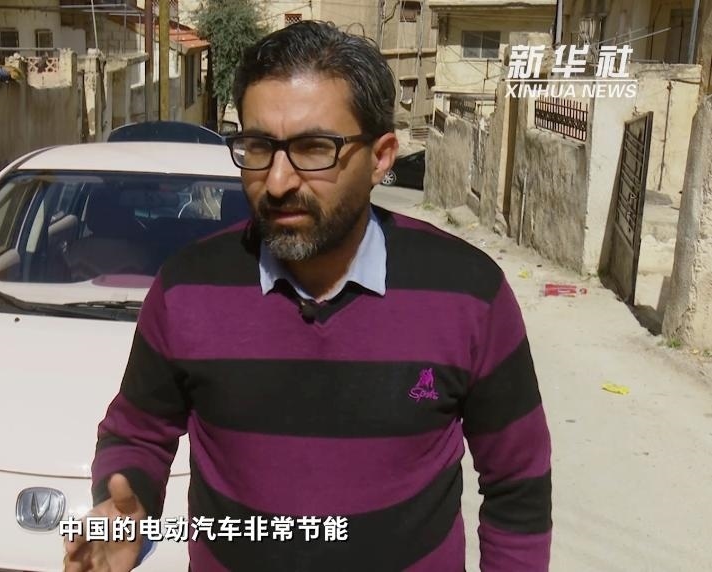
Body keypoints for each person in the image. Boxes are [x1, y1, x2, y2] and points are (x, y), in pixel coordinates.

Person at [64, 20, 552, 572]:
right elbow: (139, 434)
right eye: (258, 147)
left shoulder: (469, 293)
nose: (277, 182)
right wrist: (123, 511)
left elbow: (518, 483)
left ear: (382, 157)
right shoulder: (187, 289)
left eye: (314, 148)